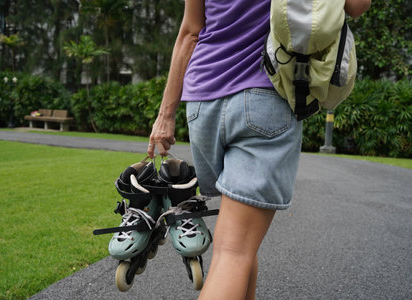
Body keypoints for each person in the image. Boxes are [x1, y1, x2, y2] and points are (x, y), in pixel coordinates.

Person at [147, 0, 371, 299]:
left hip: (203, 105)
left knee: (240, 245)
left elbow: (190, 32)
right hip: (264, 99)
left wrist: (165, 116)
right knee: (234, 252)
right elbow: (358, 6)